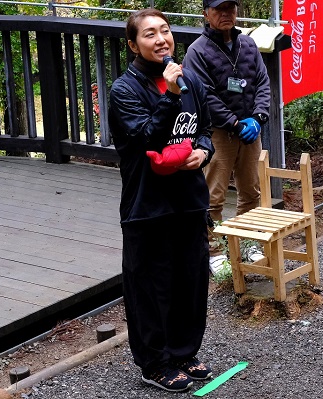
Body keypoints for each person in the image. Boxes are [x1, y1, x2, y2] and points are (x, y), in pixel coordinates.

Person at [108, 8, 215, 393]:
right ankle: (154, 362)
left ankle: (184, 352)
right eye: (149, 34)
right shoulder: (125, 90)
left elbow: (204, 129)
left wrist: (204, 152)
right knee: (150, 287)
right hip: (147, 205)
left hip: (188, 200)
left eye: (165, 31)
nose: (161, 40)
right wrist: (169, 95)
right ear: (133, 44)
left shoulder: (192, 82)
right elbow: (146, 139)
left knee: (190, 280)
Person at [183, 0, 270, 273]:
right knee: (214, 194)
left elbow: (263, 82)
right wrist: (234, 123)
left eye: (230, 9)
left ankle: (247, 244)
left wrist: (257, 117)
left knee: (251, 191)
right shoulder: (197, 51)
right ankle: (215, 250)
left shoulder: (249, 45)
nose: (226, 15)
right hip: (219, 133)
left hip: (249, 131)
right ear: (206, 14)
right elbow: (204, 95)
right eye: (219, 10)